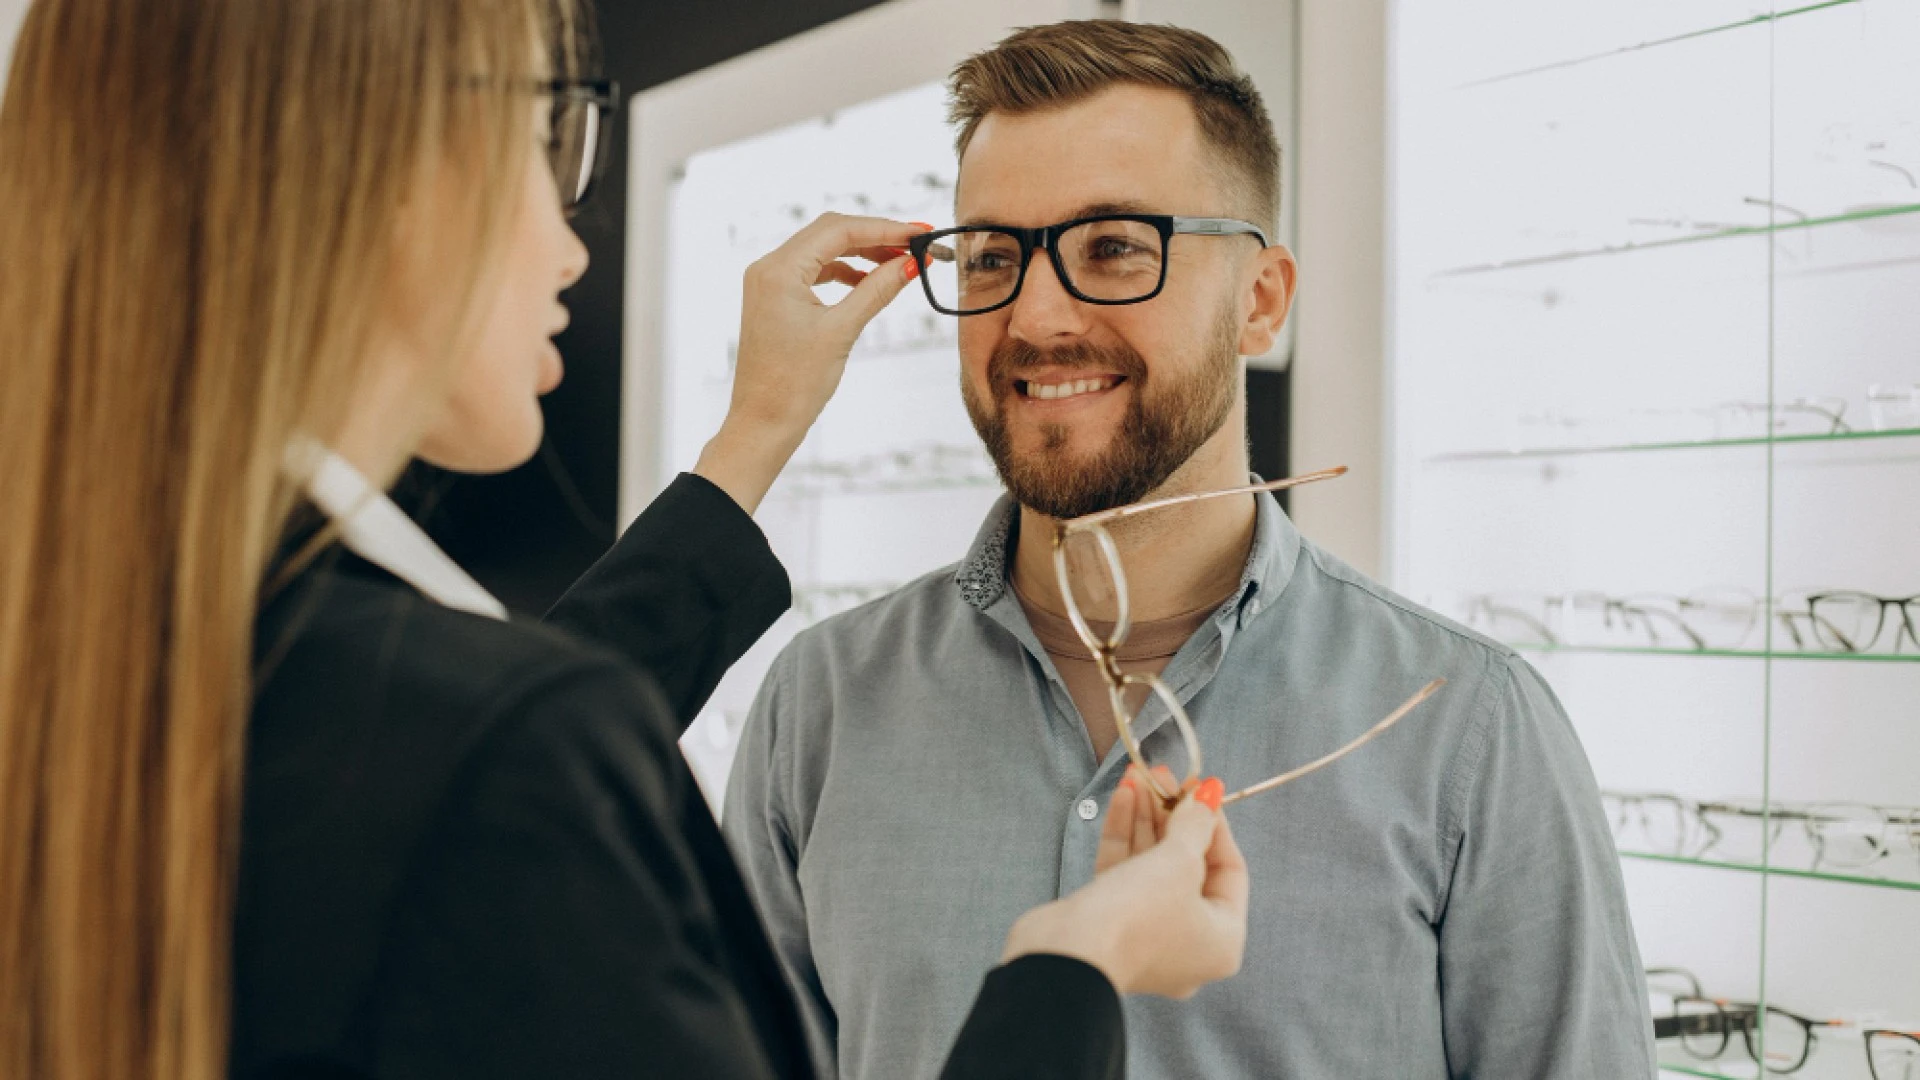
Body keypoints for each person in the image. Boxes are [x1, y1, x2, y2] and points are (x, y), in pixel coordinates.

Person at [0, 3, 1251, 1078]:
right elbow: (481, 765)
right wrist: (1072, 971)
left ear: (1260, 297)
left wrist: (755, 431)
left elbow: (437, 764)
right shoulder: (517, 743)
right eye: (549, 135)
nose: (567, 240)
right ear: (387, 173)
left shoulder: (130, 658)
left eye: (1110, 249)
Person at [723, 20, 1658, 1080]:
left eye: (1114, 247)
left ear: (1260, 302)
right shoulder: (822, 708)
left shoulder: (1470, 731)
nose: (1035, 315)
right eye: (992, 256)